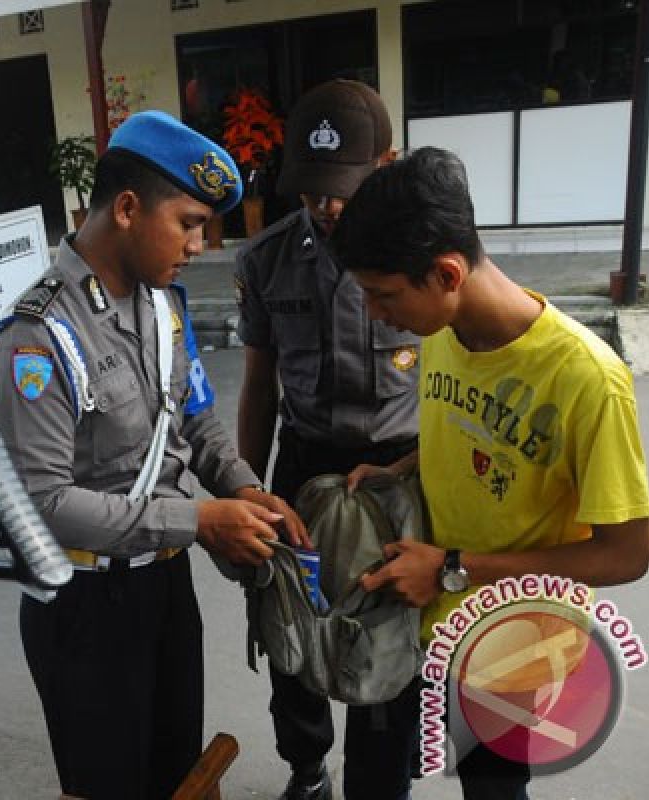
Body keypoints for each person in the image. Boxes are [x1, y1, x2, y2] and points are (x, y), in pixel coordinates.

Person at [0, 110, 307, 799]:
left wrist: (244, 489)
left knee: (176, 773)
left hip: (162, 587)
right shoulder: (37, 339)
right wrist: (200, 521)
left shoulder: (163, 307)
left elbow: (197, 421)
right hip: (83, 607)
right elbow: (45, 504)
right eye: (188, 222)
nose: (199, 243)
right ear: (128, 209)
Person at [332, 146, 649, 798]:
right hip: (409, 610)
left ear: (447, 273)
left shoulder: (589, 381)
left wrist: (452, 566)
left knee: (492, 790)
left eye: (383, 294)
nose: (375, 313)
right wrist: (397, 469)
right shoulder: (443, 332)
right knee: (370, 779)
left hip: (510, 645)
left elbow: (627, 555)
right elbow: (477, 432)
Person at [233, 79, 421, 800]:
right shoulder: (267, 260)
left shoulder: (420, 257)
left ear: (388, 161)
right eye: (311, 190)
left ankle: (380, 785)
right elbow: (258, 385)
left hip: (395, 476)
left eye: (341, 187)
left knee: (381, 636)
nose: (327, 206)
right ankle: (306, 769)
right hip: (303, 465)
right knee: (293, 632)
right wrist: (249, 490)